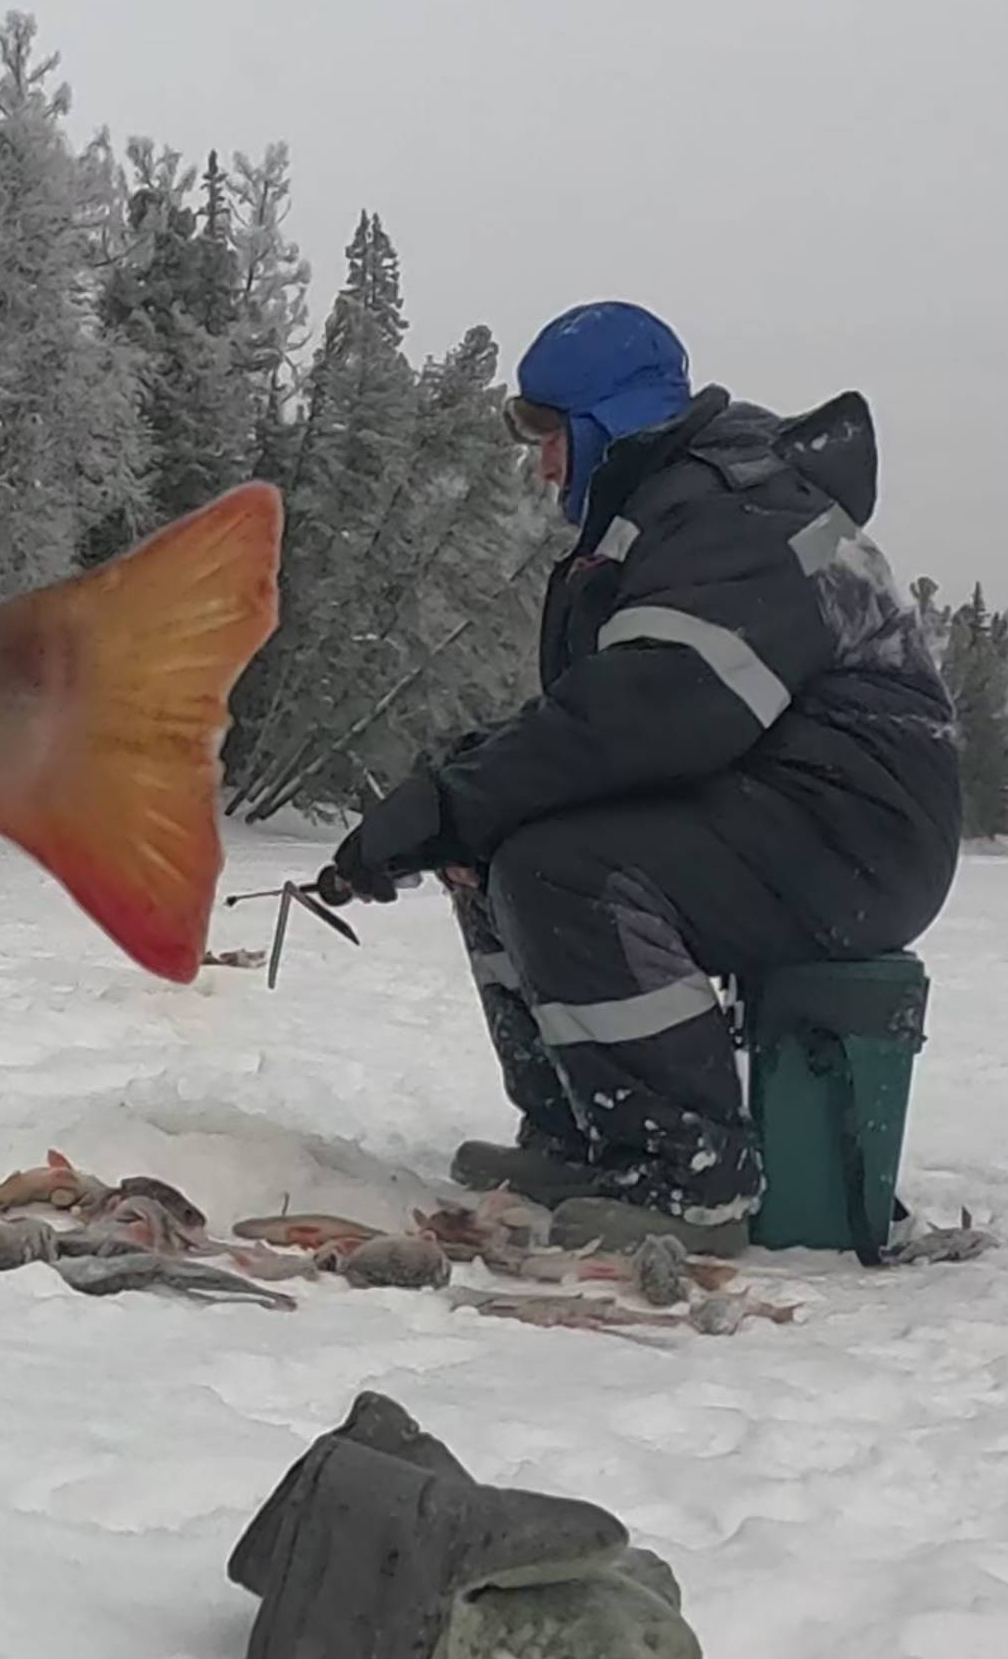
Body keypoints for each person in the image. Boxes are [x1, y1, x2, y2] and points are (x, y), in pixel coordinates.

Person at [316, 301, 957, 1246]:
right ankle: (585, 1133)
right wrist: (457, 800)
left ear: (602, 423)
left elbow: (652, 715)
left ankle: (687, 1170)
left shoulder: (734, 513)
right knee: (497, 844)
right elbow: (615, 721)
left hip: (859, 832)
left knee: (559, 867)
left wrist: (453, 798)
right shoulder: (670, 512)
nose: (538, 465)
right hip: (784, 806)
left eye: (548, 436)